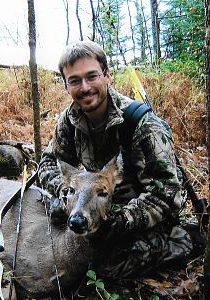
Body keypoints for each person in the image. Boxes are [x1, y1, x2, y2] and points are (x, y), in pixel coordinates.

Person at [38, 40, 204, 278]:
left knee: (109, 267)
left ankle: (185, 239)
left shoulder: (142, 124)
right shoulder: (69, 120)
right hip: (95, 202)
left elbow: (167, 195)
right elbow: (48, 165)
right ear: (66, 86)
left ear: (107, 75)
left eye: (91, 76)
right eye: (74, 80)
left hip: (143, 213)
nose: (84, 87)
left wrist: (120, 222)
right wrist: (67, 196)